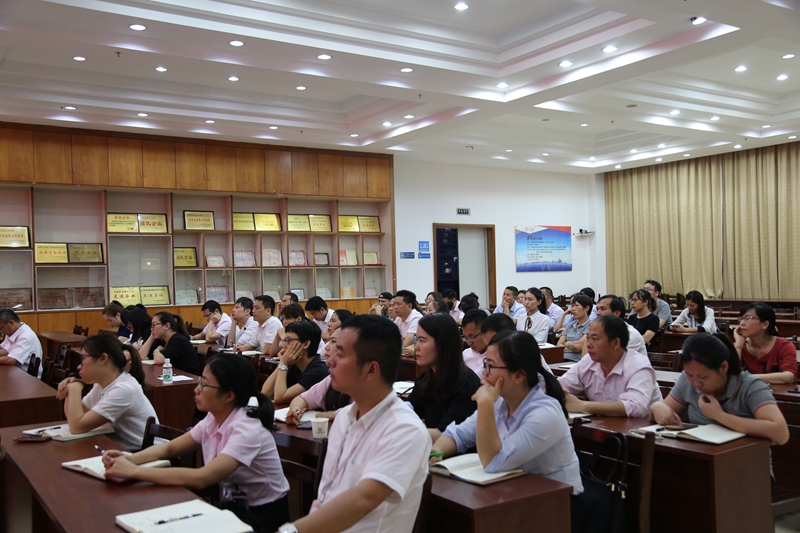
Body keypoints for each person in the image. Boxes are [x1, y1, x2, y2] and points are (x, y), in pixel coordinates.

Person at [102, 354, 291, 533]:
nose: (197, 389)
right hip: (235, 506)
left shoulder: (247, 429)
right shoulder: (214, 418)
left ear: (228, 395)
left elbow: (202, 478)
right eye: (200, 381)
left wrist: (133, 471)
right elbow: (170, 448)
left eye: (204, 384)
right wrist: (130, 459)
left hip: (263, 516)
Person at [281, 315, 430, 533]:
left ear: (371, 370)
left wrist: (291, 531)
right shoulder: (344, 417)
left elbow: (364, 499)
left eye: (340, 355)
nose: (329, 361)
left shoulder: (404, 429)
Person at [430, 331, 584, 530]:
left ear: (519, 375)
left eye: (491, 366)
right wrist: (437, 453)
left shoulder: (545, 414)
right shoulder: (501, 402)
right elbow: (458, 434)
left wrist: (485, 403)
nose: (484, 372)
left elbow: (494, 462)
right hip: (512, 494)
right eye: (485, 363)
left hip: (555, 506)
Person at [651, 333, 789, 445]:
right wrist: (657, 407)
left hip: (744, 463)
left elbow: (781, 434)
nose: (696, 382)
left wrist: (718, 415)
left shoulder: (751, 386)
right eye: (690, 375)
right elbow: (662, 412)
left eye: (703, 377)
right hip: (700, 458)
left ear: (723, 367)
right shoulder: (686, 381)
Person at [56, 334, 155, 450]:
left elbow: (76, 427)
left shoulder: (123, 389)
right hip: (121, 449)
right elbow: (73, 417)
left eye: (83, 359)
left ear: (103, 359)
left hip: (145, 453)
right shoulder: (101, 384)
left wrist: (75, 388)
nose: (78, 367)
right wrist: (70, 389)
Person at [558, 315, 661, 418]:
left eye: (595, 339)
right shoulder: (588, 361)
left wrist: (583, 405)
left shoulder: (638, 366)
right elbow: (563, 383)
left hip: (640, 427)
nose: (588, 344)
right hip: (602, 425)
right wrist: (557, 390)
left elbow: (635, 407)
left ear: (616, 343)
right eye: (587, 338)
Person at [408, 314, 481, 442]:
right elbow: (409, 410)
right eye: (416, 340)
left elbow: (445, 434)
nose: (416, 347)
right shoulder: (426, 378)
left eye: (422, 340)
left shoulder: (466, 385)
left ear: (442, 344)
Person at [284, 326, 351, 424]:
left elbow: (364, 412)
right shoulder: (332, 378)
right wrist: (295, 409)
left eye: (333, 341)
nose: (326, 347)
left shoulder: (319, 371)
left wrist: (334, 414)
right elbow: (302, 399)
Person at [261, 321, 328, 403]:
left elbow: (280, 398)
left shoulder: (319, 371)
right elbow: (265, 394)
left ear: (306, 344)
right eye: (284, 340)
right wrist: (282, 363)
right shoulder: (293, 364)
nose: (283, 345)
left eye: (288, 340)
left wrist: (283, 364)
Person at [734, 302, 798, 384]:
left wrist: (747, 377)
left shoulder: (784, 346)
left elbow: (789, 377)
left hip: (779, 392)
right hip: (752, 391)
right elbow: (732, 375)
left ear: (765, 324)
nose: (742, 323)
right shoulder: (740, 345)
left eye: (748, 318)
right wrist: (738, 345)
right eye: (741, 318)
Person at [0, 308, 43, 376]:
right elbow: (5, 350)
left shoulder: (25, 336)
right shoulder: (13, 331)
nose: (1, 331)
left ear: (11, 323)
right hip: (16, 372)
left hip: (29, 377)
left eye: (1, 328)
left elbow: (11, 360)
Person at [558, 293, 593, 362]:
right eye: (572, 306)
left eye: (577, 306)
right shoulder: (570, 325)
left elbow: (578, 346)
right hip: (562, 359)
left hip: (576, 361)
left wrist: (566, 343)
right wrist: (572, 347)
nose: (573, 309)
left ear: (587, 308)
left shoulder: (591, 325)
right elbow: (558, 345)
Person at [393, 289, 423, 356]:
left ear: (409, 306)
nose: (395, 307)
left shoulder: (416, 318)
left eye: (399, 304)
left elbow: (404, 345)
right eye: (394, 304)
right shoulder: (398, 318)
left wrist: (401, 340)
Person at [461, 309, 489, 376]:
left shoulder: (496, 358)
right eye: (466, 338)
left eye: (472, 337)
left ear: (486, 331)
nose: (469, 343)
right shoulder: (465, 355)